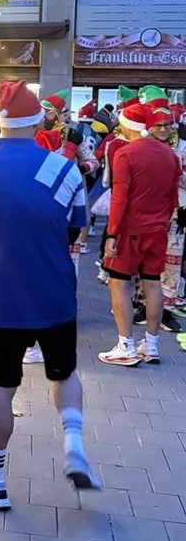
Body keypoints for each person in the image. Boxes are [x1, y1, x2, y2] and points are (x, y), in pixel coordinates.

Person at [0, 81, 97, 511]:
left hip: (2, 302)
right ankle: (73, 442)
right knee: (64, 373)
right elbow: (75, 227)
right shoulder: (64, 169)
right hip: (56, 296)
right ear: (39, 120)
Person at [99, 103, 183, 367]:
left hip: (130, 229)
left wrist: (111, 234)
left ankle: (126, 344)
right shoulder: (169, 154)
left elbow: (119, 198)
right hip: (158, 228)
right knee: (152, 282)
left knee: (119, 282)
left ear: (126, 125)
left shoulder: (125, 154)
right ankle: (152, 344)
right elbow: (172, 198)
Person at [146, 107, 186, 333]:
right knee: (146, 260)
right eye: (157, 125)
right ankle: (145, 306)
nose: (162, 129)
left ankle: (167, 311)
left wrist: (177, 172)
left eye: (167, 125)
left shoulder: (182, 148)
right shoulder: (143, 147)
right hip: (147, 213)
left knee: (172, 263)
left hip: (176, 213)